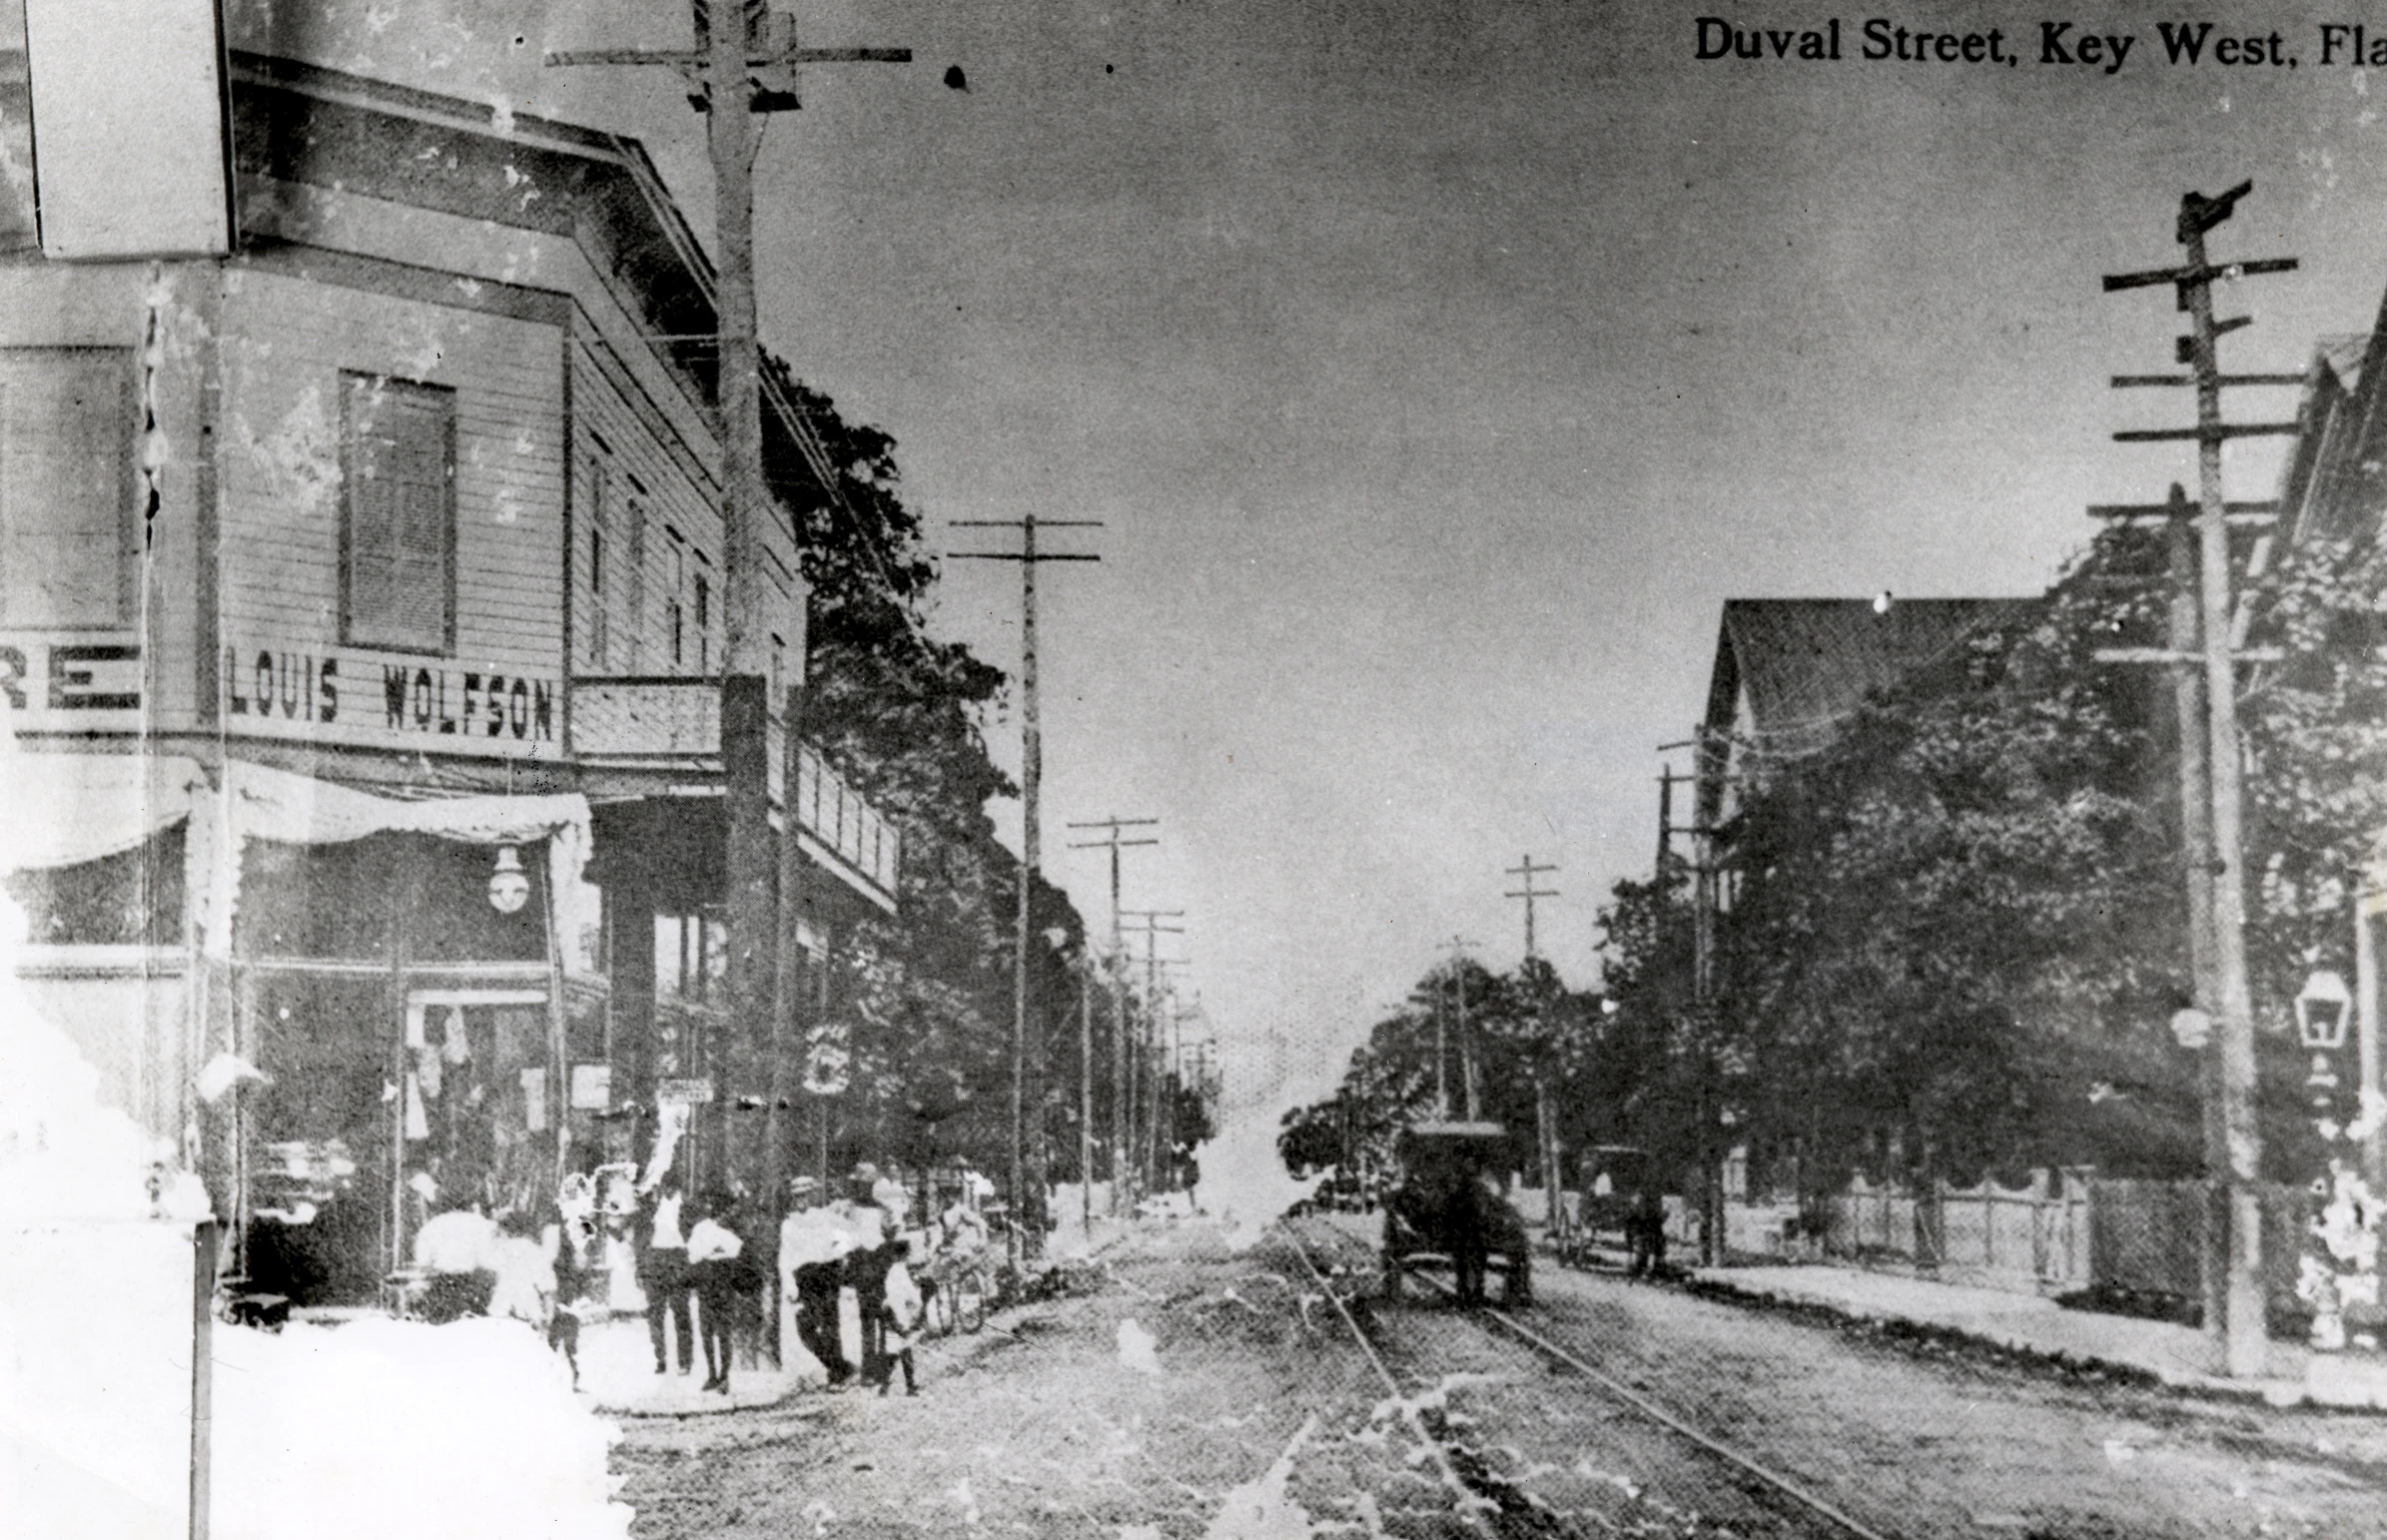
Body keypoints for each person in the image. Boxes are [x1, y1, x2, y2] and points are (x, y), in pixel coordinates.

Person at [779, 1178, 854, 1386]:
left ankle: (836, 1377)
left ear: (812, 1196)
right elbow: (785, 1256)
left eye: (805, 1195)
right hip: (804, 1277)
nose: (801, 1200)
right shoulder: (789, 1224)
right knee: (805, 1329)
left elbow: (847, 1238)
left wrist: (837, 1256)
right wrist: (789, 1284)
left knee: (830, 1325)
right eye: (797, 1196)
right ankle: (839, 1366)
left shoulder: (825, 1217)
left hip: (826, 1272)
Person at [684, 1190, 745, 1394]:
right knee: (707, 1331)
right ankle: (712, 1374)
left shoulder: (733, 1230)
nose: (728, 1215)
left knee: (725, 1332)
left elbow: (737, 1251)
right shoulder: (701, 1228)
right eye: (726, 1212)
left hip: (725, 1282)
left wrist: (719, 1252)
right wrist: (711, 1251)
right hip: (706, 1281)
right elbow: (693, 1255)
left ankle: (724, 1376)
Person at [638, 1176, 694, 1375]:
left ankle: (685, 1361)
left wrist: (691, 1265)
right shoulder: (651, 1208)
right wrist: (642, 1267)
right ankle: (659, 1359)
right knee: (655, 1315)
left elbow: (695, 1237)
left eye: (671, 1186)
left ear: (677, 1187)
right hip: (655, 1261)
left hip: (678, 1260)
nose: (667, 1189)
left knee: (681, 1313)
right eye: (664, 1185)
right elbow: (642, 1239)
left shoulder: (687, 1207)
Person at [412, 1195, 498, 1323]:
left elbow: (423, 1261)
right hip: (472, 1283)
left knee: (440, 1325)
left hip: (442, 1283)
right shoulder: (482, 1224)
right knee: (477, 1326)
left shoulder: (433, 1225)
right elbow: (488, 1260)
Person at [877, 1237, 923, 1397]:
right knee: (900, 1352)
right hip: (898, 1315)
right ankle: (907, 1387)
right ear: (906, 1255)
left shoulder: (892, 1272)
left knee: (897, 1352)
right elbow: (913, 1298)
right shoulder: (900, 1273)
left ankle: (890, 1387)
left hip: (891, 1314)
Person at [1628, 1185, 1668, 1279]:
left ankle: (1654, 1267)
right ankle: (1643, 1267)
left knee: (1654, 1246)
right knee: (1646, 1245)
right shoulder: (1642, 1198)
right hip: (1646, 1223)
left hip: (1651, 1223)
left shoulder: (1652, 1198)